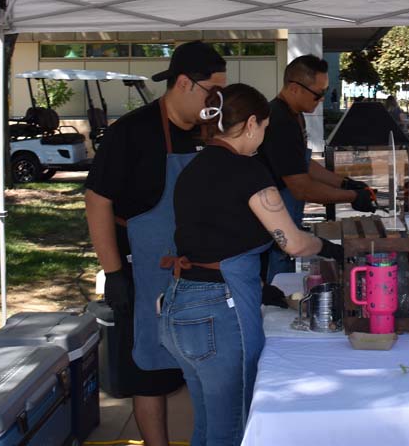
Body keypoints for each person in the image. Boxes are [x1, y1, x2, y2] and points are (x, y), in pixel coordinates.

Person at [161, 83, 343, 446]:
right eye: (264, 127)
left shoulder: (193, 168)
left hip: (179, 302)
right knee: (232, 429)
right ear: (251, 123)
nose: (264, 135)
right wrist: (331, 248)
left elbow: (215, 233)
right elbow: (290, 241)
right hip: (219, 309)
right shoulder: (249, 171)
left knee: (207, 426)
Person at [84, 41, 227, 446]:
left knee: (208, 368)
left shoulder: (212, 133)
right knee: (149, 374)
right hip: (144, 273)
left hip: (203, 277)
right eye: (212, 91)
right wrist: (114, 274)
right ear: (184, 83)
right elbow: (97, 201)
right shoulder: (132, 132)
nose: (218, 101)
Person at [259, 55, 376, 282]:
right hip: (272, 224)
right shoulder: (280, 121)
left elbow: (303, 163)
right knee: (278, 284)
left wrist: (344, 183)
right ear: (294, 88)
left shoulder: (295, 116)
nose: (322, 98)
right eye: (317, 93)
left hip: (287, 214)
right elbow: (301, 187)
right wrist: (352, 196)